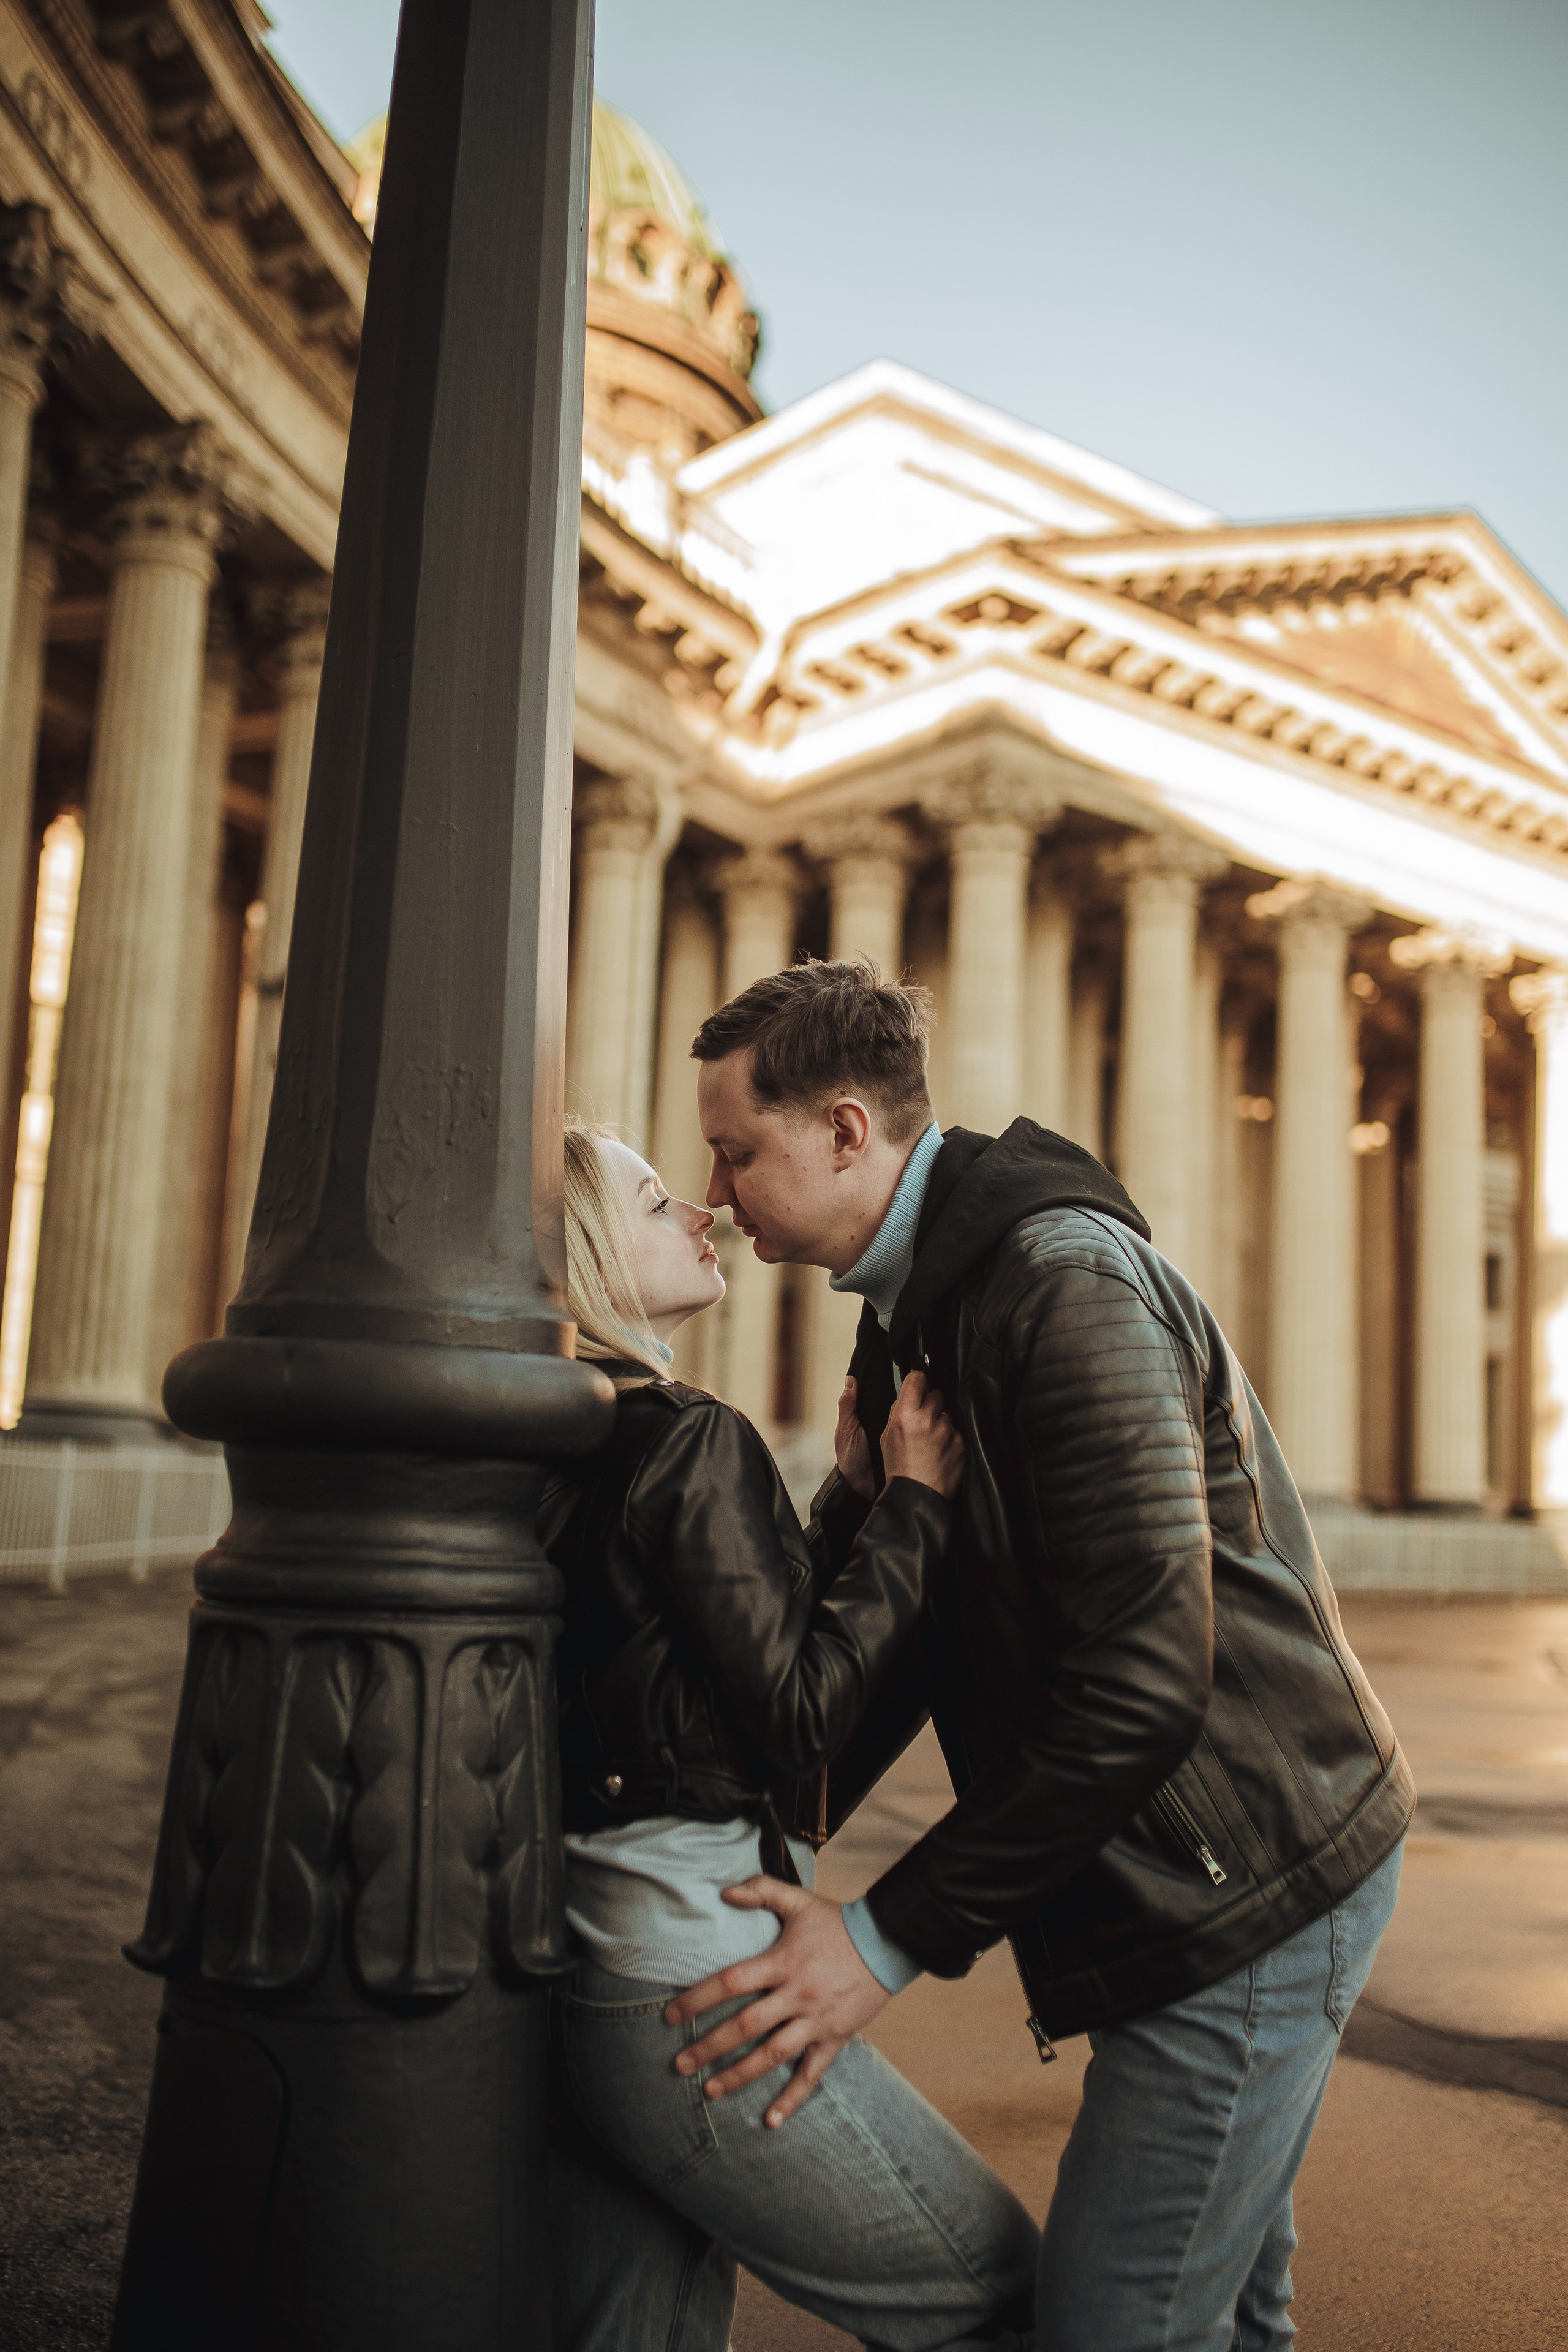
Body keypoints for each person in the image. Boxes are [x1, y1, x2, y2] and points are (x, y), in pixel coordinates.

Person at [663, 957, 1414, 2352]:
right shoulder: (916, 1321)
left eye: (732, 1154)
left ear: (841, 1131)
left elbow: (1141, 1685)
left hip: (1248, 1879)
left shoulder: (1058, 1284)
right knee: (1226, 2316)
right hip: (1177, 1874)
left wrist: (877, 1944)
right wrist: (858, 1505)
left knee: (1116, 2325)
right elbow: (877, 1657)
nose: (714, 1198)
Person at [542, 1119, 1040, 2352]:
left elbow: (722, 1657)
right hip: (701, 1985)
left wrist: (856, 1502)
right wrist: (918, 1509)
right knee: (999, 2297)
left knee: (636, 2326)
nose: (699, 1212)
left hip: (601, 1972)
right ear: (589, 1253)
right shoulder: (691, 1434)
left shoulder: (563, 1442)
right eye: (659, 1204)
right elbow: (799, 1716)